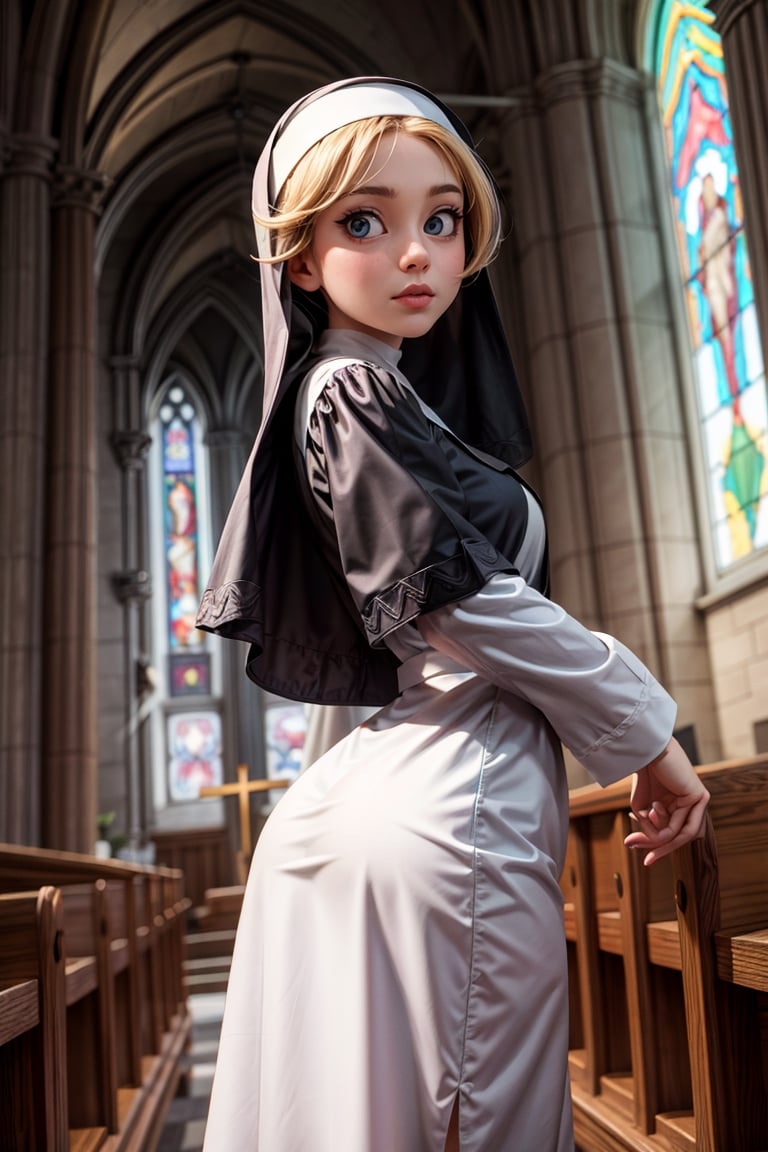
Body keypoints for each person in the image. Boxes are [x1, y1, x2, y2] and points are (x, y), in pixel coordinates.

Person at [196, 77, 710, 1152]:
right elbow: (460, 607)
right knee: (492, 1125)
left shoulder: (378, 390)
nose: (417, 250)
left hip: (420, 794)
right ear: (298, 254)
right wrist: (646, 732)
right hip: (454, 814)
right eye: (365, 222)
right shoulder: (349, 391)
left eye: (442, 217)